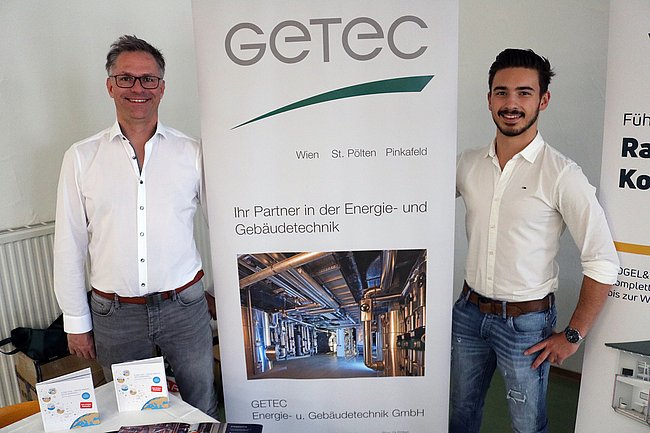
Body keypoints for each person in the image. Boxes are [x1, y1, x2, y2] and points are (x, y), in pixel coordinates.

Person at [451, 48, 619, 433]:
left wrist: (573, 335)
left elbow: (603, 261)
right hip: (468, 314)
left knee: (528, 426)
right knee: (460, 414)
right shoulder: (467, 164)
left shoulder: (562, 174)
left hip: (526, 325)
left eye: (524, 93)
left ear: (543, 100)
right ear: (489, 99)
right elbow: (418, 203)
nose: (511, 103)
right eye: (502, 92)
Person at [53, 35, 218, 418]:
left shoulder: (192, 152)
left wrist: (225, 297)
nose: (138, 88)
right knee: (135, 415)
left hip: (185, 307)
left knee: (201, 405)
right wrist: (76, 321)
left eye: (148, 79)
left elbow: (222, 228)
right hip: (116, 315)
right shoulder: (81, 157)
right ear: (110, 86)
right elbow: (69, 244)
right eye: (126, 78)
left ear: (162, 87)